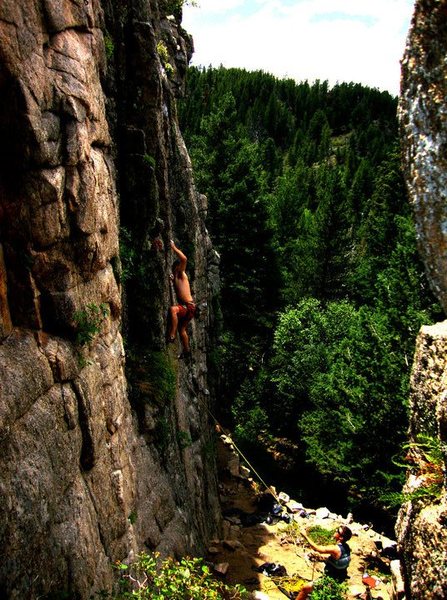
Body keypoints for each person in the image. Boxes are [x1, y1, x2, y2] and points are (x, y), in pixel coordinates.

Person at [296, 525, 352, 600]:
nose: (335, 531)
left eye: (337, 531)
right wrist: (322, 558)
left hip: (331, 579)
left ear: (341, 537)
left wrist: (305, 535)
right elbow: (338, 561)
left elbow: (317, 548)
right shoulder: (347, 548)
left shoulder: (335, 549)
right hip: (340, 577)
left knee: (305, 588)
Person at [167, 240, 196, 356]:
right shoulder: (176, 278)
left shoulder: (182, 274)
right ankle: (186, 350)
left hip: (189, 306)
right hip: (190, 307)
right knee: (182, 329)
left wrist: (174, 248)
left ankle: (172, 334)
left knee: (173, 310)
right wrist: (172, 279)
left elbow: (184, 259)